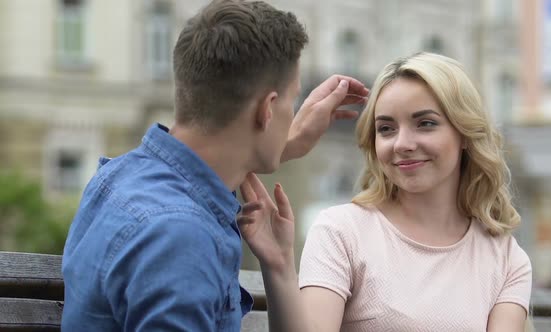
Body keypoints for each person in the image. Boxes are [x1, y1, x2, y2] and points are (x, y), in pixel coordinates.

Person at [60, 0, 369, 330]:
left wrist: (283, 144)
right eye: (292, 100)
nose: (293, 114)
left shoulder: (118, 176)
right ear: (268, 109)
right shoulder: (180, 239)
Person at [239, 52, 532, 331]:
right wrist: (278, 265)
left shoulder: (506, 258)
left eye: (425, 124)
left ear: (465, 134)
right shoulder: (341, 231)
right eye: (387, 129)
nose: (402, 143)